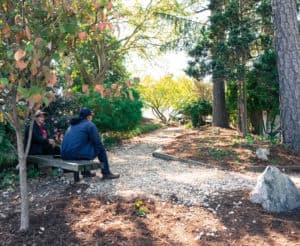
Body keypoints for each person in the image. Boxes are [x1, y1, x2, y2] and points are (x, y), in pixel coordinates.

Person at [61, 108, 120, 179]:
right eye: (91, 116)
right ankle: (106, 173)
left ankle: (86, 172)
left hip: (65, 155)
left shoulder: (72, 125)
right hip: (75, 155)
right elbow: (98, 142)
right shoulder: (89, 125)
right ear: (88, 116)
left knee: (84, 145)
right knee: (101, 149)